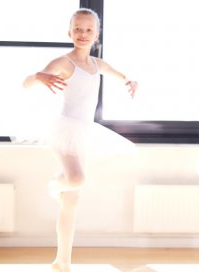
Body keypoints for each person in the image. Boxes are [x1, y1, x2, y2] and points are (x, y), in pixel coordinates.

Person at [23, 8, 138, 272]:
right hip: (64, 129)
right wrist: (38, 77)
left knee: (71, 202)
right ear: (69, 32)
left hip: (85, 131)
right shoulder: (64, 62)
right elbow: (26, 84)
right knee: (75, 179)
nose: (82, 34)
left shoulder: (97, 64)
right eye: (77, 29)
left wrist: (130, 81)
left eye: (88, 30)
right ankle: (54, 184)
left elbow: (121, 76)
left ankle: (62, 261)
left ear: (96, 34)